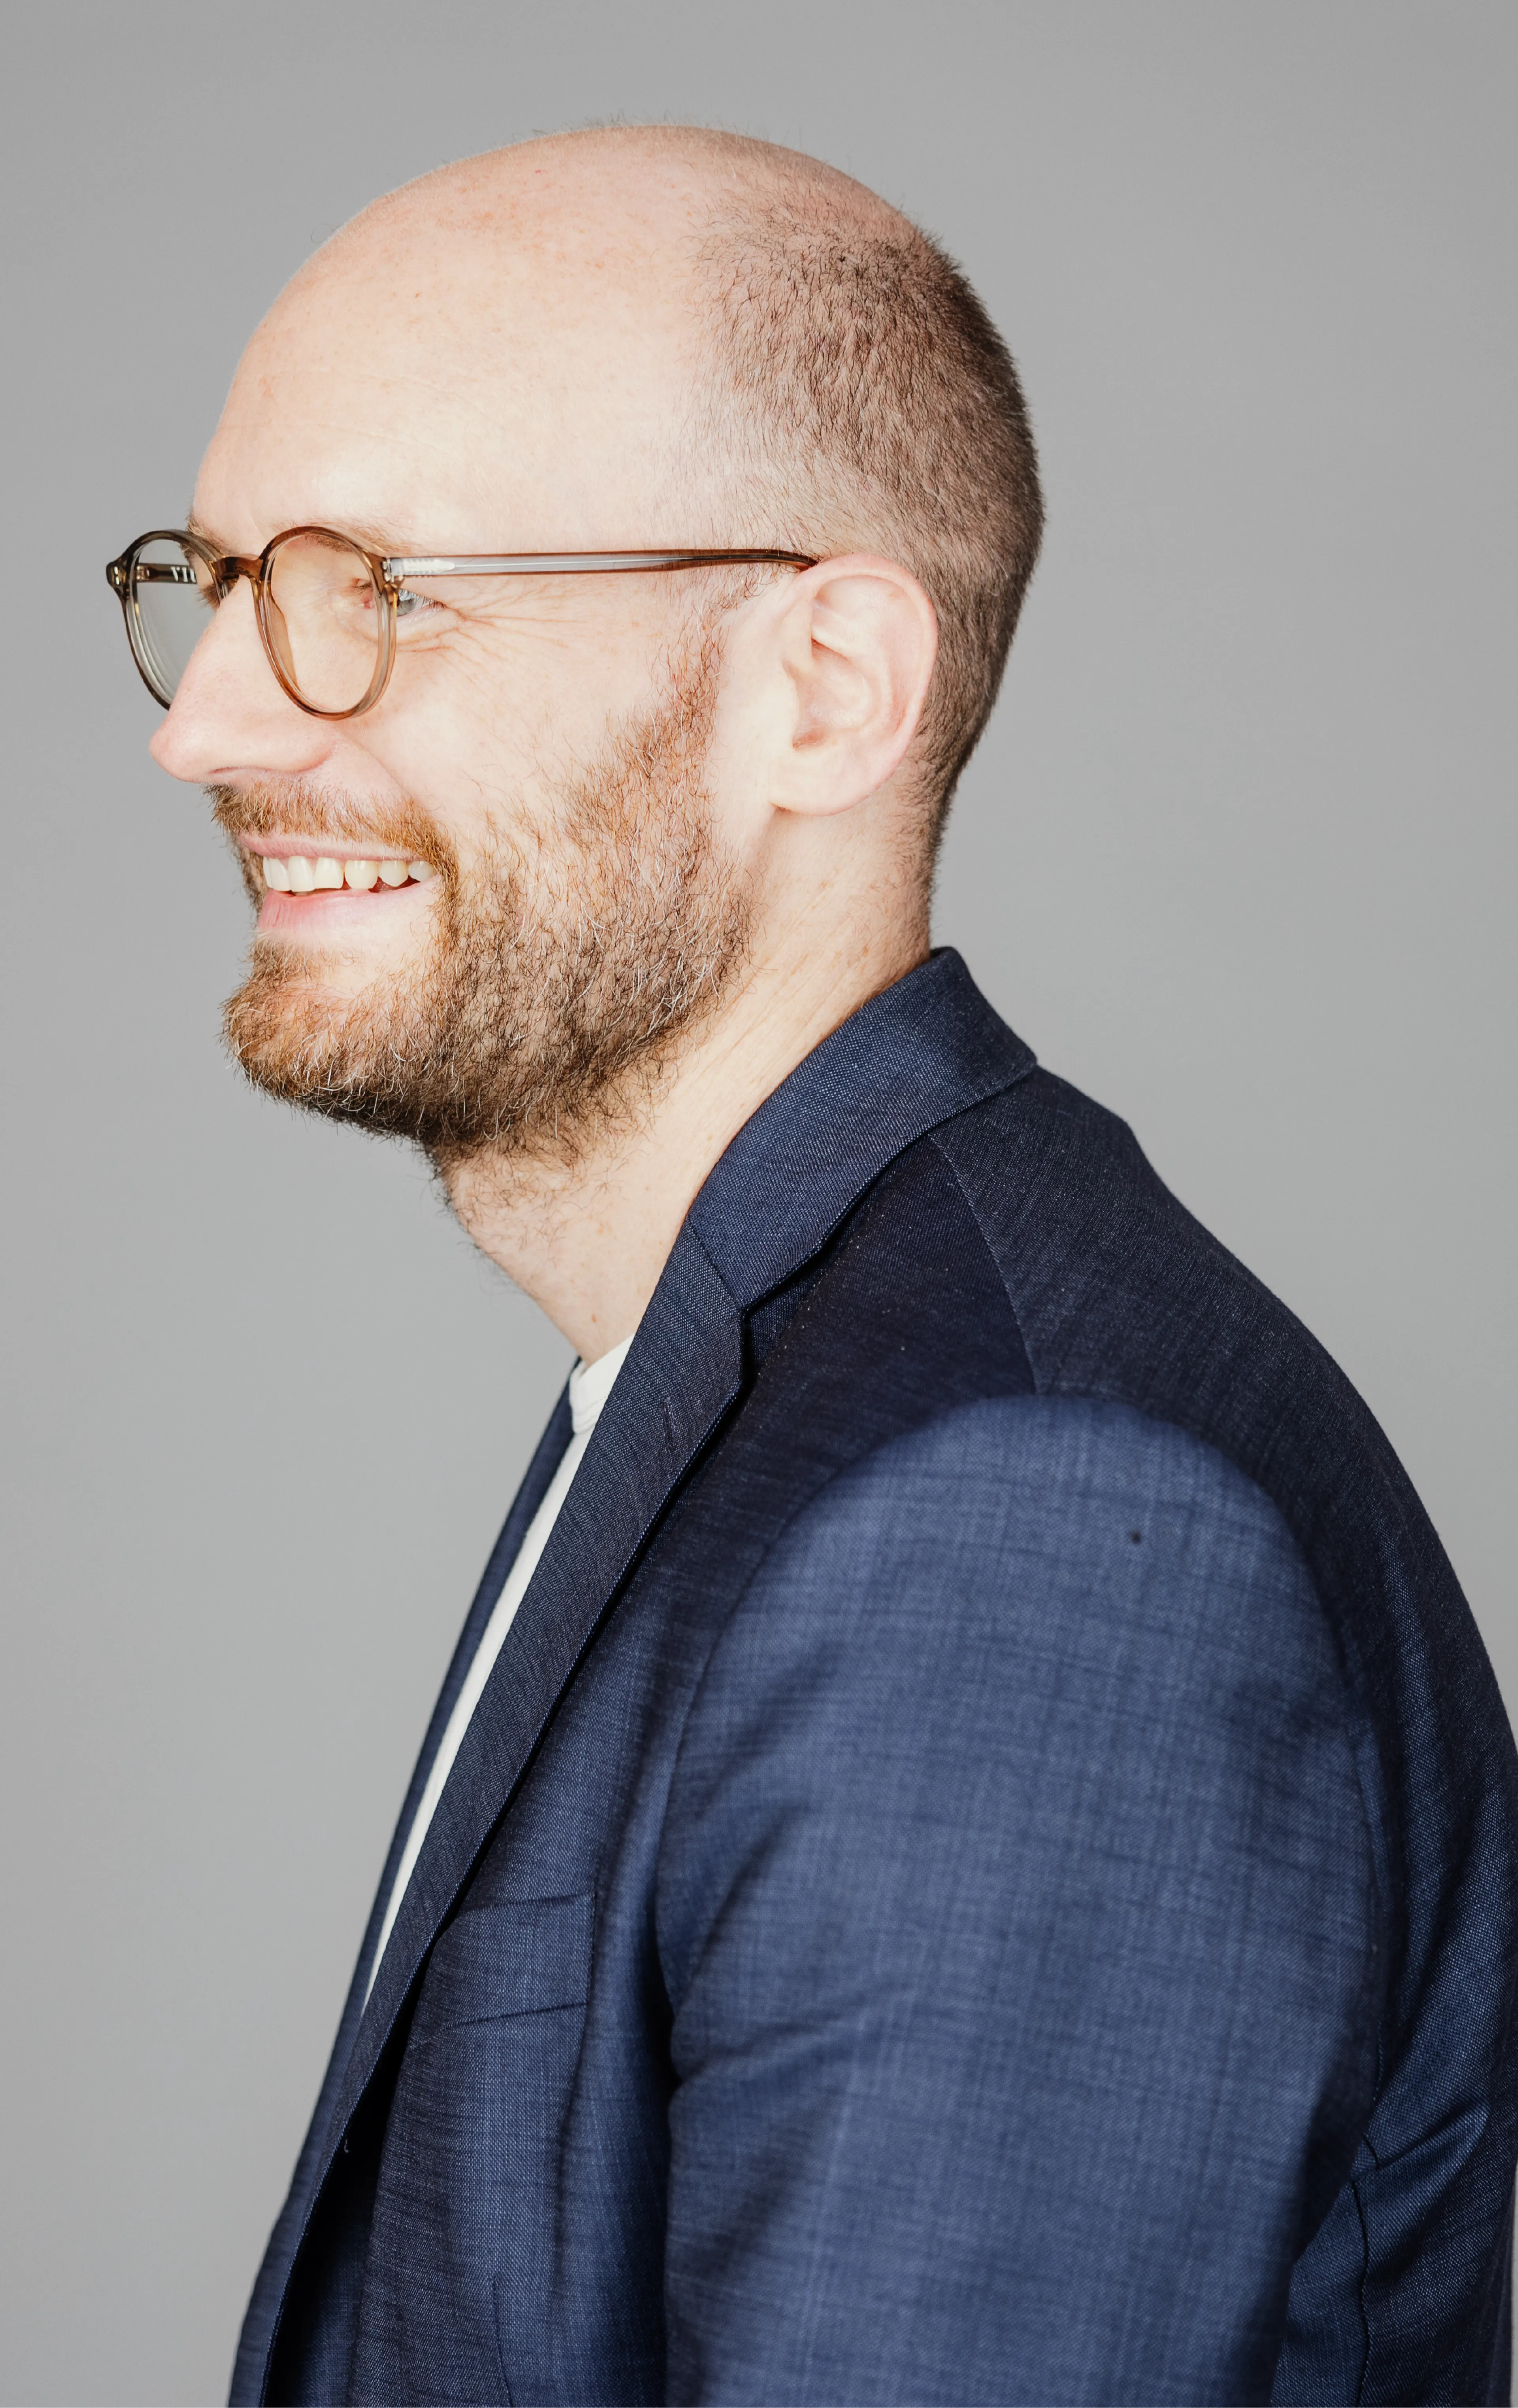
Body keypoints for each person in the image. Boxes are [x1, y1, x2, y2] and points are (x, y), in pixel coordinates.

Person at [106, 124, 1516, 2407]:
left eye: (361, 582)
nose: (207, 723)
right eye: (219, 573)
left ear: (829, 687)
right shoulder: (760, 1390)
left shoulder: (1035, 1537)